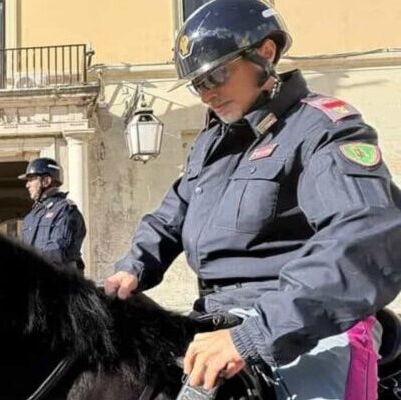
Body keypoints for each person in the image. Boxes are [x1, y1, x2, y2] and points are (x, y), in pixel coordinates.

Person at [104, 0, 401, 398]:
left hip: (302, 323)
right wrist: (133, 267)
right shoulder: (212, 144)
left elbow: (365, 236)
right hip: (215, 318)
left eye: (216, 75)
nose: (206, 94)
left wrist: (255, 333)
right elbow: (172, 215)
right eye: (197, 84)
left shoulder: (320, 129)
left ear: (265, 53)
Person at [19, 157, 87, 273]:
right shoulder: (30, 217)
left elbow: (58, 250)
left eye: (31, 179)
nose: (27, 185)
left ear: (46, 181)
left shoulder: (66, 211)